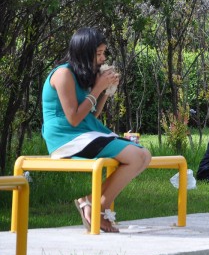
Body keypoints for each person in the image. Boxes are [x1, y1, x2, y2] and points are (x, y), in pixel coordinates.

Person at [42, 27, 151, 233]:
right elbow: (73, 118)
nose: (102, 59)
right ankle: (95, 208)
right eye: (98, 54)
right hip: (66, 138)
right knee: (136, 156)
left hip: (85, 133)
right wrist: (98, 88)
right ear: (84, 53)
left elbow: (91, 117)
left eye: (103, 53)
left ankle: (92, 202)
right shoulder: (63, 74)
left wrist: (106, 93)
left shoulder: (84, 77)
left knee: (145, 155)